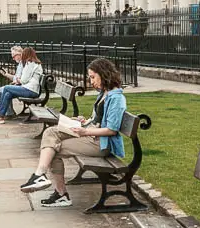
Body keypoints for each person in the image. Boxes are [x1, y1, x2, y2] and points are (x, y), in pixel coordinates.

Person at [20, 58, 126, 208]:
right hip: (91, 135)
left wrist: (85, 131)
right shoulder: (104, 92)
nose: (91, 81)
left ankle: (57, 191)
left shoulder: (116, 98)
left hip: (100, 143)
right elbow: (98, 118)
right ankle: (41, 177)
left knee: (52, 149)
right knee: (51, 132)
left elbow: (112, 129)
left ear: (104, 74)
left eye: (93, 77)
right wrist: (85, 121)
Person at [0, 47, 43, 124]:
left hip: (30, 90)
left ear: (26, 54)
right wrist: (19, 80)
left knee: (6, 88)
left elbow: (23, 80)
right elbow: (24, 78)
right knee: (8, 94)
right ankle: (1, 116)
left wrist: (18, 80)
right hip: (30, 89)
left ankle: (0, 113)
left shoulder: (30, 64)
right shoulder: (33, 63)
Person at [0, 46, 24, 115]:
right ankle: (8, 112)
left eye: (14, 56)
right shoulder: (20, 64)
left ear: (19, 54)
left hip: (23, 87)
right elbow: (16, 78)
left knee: (3, 89)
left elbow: (21, 79)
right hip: (21, 85)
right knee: (3, 90)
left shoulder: (23, 64)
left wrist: (16, 81)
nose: (13, 59)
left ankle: (2, 110)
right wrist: (6, 74)